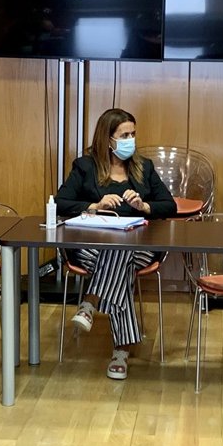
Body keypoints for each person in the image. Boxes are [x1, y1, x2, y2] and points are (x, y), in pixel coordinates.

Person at [56, 108, 176, 380]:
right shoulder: (85, 167)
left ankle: (91, 301)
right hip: (91, 249)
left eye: (133, 134)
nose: (130, 140)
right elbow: (61, 202)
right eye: (124, 136)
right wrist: (94, 205)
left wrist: (144, 206)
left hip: (140, 248)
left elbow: (169, 205)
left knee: (121, 250)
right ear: (107, 139)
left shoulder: (144, 167)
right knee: (119, 258)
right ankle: (121, 352)